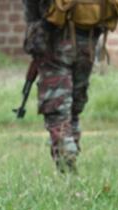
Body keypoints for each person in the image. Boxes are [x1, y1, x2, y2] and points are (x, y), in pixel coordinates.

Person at [22, 1, 102, 172]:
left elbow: (31, 10)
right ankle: (71, 153)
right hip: (88, 40)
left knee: (57, 109)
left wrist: (35, 30)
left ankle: (67, 164)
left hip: (56, 39)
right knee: (73, 106)